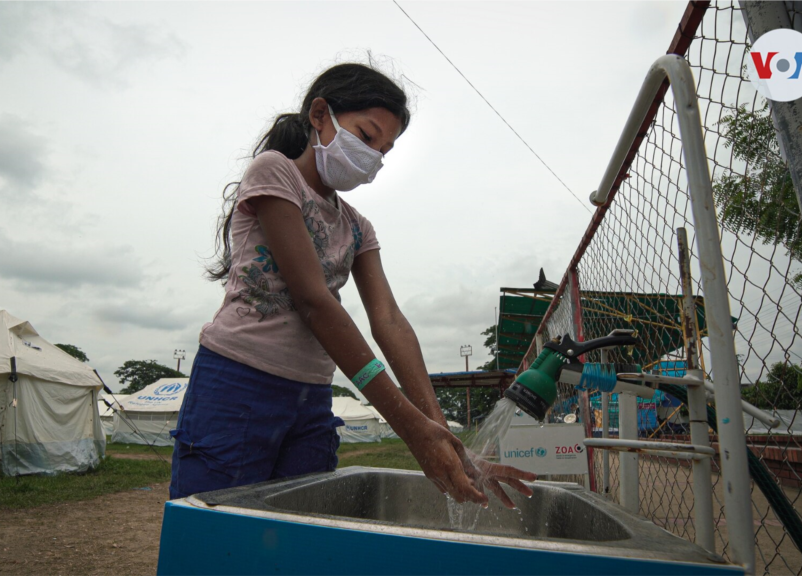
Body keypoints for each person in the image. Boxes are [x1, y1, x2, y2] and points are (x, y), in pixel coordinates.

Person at [170, 62, 535, 507]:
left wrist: (440, 434)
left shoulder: (358, 227)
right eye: (366, 136)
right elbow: (314, 301)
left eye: (385, 149)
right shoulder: (274, 174)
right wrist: (411, 429)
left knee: (295, 538)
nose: (374, 157)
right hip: (238, 383)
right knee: (215, 529)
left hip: (312, 398)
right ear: (320, 115)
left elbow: (389, 320)